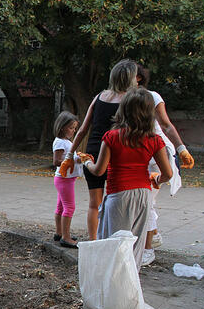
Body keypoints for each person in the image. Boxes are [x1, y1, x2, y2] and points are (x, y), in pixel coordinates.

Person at [81, 88, 172, 269]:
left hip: (119, 195)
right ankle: (131, 290)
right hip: (144, 196)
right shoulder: (154, 140)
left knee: (114, 246)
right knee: (135, 249)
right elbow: (168, 174)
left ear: (123, 110)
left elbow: (99, 171)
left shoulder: (112, 137)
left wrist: (86, 163)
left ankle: (112, 292)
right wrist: (157, 179)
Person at [60, 59, 138, 240]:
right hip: (118, 155)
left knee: (94, 204)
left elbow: (82, 130)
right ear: (130, 78)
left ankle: (93, 241)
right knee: (114, 201)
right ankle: (112, 240)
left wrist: (70, 155)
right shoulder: (131, 100)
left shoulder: (99, 97)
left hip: (93, 153)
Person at [135, 64, 195, 266]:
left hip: (158, 152)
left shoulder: (152, 97)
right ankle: (154, 234)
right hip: (139, 154)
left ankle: (148, 249)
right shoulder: (121, 98)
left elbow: (166, 125)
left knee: (146, 201)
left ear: (139, 78)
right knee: (145, 200)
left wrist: (181, 149)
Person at [51, 111, 86, 248]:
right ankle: (66, 237)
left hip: (66, 179)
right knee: (69, 207)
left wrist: (78, 158)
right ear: (62, 127)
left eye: (75, 128)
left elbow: (68, 157)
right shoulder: (60, 142)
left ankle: (59, 233)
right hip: (64, 179)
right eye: (71, 128)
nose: (73, 131)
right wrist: (73, 159)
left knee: (61, 207)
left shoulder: (66, 141)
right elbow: (57, 161)